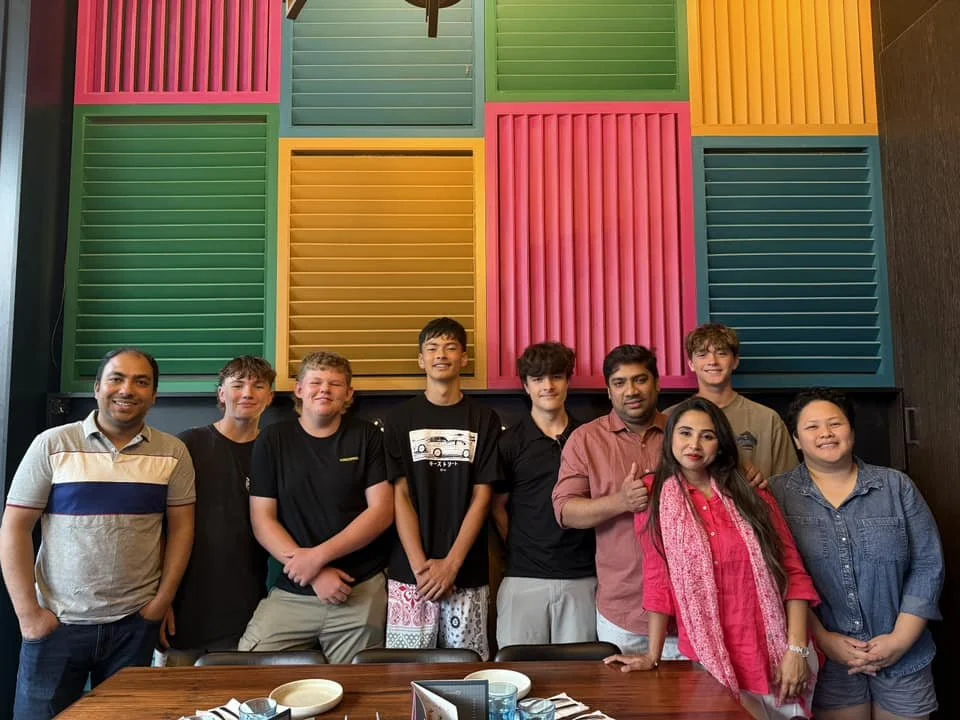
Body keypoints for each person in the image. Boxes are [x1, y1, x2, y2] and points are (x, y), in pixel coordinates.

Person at [0, 348, 196, 719]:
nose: (128, 389)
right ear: (97, 388)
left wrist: (159, 602)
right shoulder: (52, 444)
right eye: (117, 378)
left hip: (134, 625)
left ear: (154, 395)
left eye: (142, 382)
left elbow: (183, 529)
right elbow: (14, 527)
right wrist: (28, 615)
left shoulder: (173, 453)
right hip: (57, 624)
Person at [606, 397, 819, 720]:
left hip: (776, 653)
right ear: (670, 439)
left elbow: (792, 572)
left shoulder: (752, 493)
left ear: (720, 445)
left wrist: (797, 650)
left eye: (707, 436)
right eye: (685, 433)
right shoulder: (654, 496)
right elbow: (658, 577)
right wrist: (652, 653)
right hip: (711, 655)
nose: (694, 444)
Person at [771, 389, 944, 720]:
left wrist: (899, 640)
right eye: (812, 427)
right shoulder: (777, 495)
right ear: (795, 439)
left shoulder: (896, 486)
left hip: (905, 656)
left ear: (851, 429)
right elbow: (779, 576)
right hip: (826, 659)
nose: (826, 434)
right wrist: (822, 640)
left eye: (835, 423)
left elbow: (927, 565)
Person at [239, 351, 394, 664]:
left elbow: (381, 512)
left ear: (348, 394)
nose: (325, 389)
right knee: (246, 669)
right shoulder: (272, 440)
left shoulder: (367, 436)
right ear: (299, 389)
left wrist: (319, 557)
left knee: (361, 688)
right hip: (294, 590)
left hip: (359, 590)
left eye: (335, 384)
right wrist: (313, 572)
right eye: (316, 382)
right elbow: (262, 520)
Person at [384, 317, 501, 660]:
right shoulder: (399, 419)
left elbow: (483, 495)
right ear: (421, 359)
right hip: (410, 575)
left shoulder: (484, 419)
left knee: (468, 673)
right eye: (432, 348)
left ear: (464, 358)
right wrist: (422, 568)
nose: (441, 355)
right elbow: (400, 494)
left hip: (467, 571)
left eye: (451, 347)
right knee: (405, 674)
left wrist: (452, 564)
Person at [552, 344, 669, 656]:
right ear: (608, 391)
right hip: (622, 611)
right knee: (624, 704)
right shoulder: (586, 439)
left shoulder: (682, 433)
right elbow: (565, 511)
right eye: (619, 383)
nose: (631, 391)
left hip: (684, 612)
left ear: (657, 383)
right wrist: (621, 501)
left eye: (640, 380)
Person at [165, 356, 276, 663]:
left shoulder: (274, 451)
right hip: (185, 604)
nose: (247, 393)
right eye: (238, 385)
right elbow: (159, 526)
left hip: (246, 604)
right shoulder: (188, 445)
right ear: (221, 394)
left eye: (258, 386)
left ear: (270, 397)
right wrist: (162, 598)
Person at [492, 342, 596, 647]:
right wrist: (523, 544)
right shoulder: (510, 442)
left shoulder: (589, 438)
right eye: (538, 379)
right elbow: (497, 506)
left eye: (556, 377)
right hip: (523, 577)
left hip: (582, 577)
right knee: (517, 681)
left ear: (568, 381)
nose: (548, 386)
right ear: (526, 386)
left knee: (580, 680)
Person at [677, 323, 797, 480]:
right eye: (702, 355)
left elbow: (791, 483)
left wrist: (766, 486)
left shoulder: (768, 419)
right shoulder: (673, 417)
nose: (712, 361)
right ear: (691, 364)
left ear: (735, 361)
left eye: (721, 353)